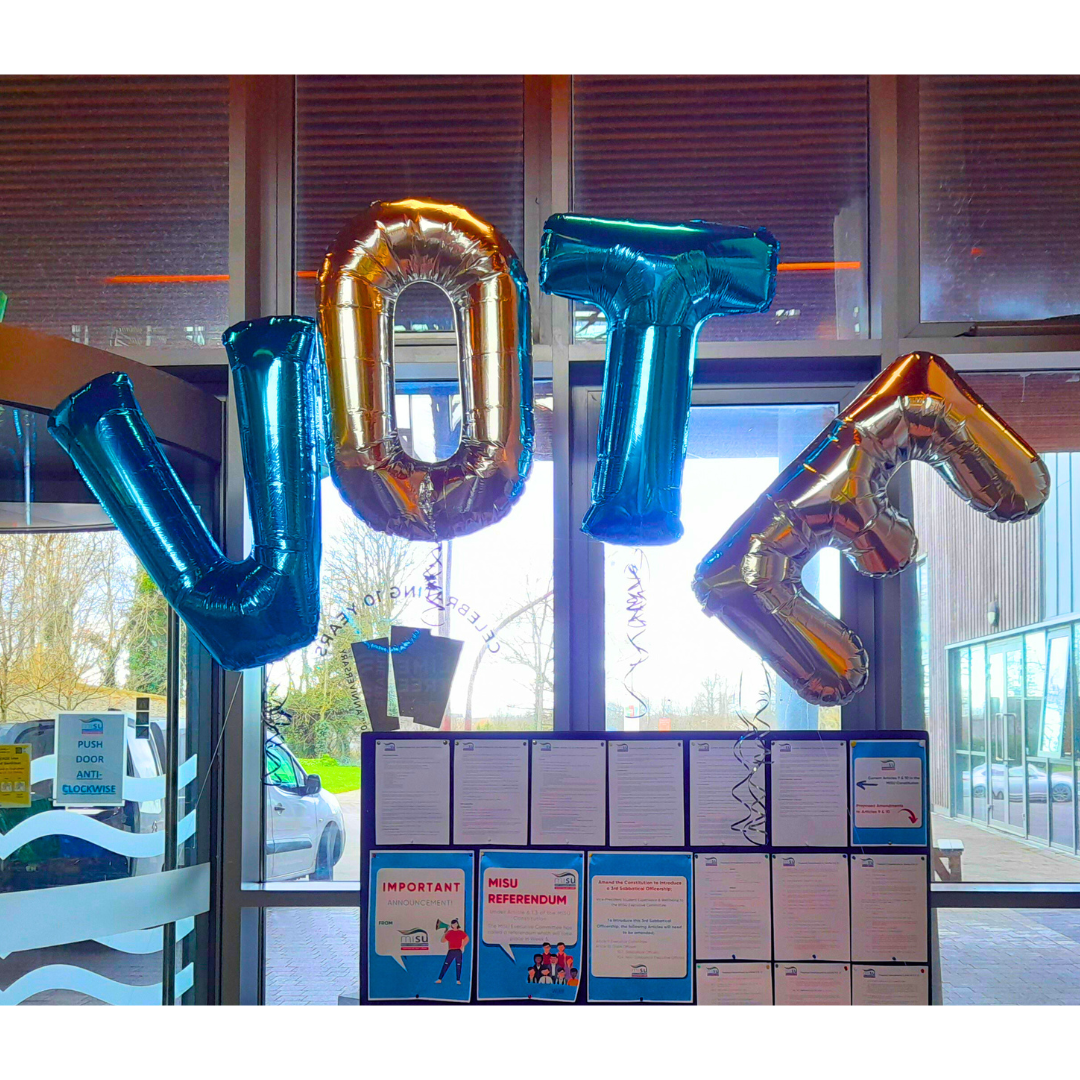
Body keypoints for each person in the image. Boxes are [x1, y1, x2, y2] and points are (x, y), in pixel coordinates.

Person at [435, 918, 469, 985]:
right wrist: (445, 932)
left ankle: (458, 980)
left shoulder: (460, 932)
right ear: (452, 925)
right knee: (446, 964)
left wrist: (462, 946)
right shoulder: (449, 933)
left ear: (457, 924)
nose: (454, 925)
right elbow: (443, 940)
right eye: (453, 924)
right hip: (451, 950)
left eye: (455, 923)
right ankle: (440, 979)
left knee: (458, 965)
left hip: (458, 950)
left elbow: (467, 939)